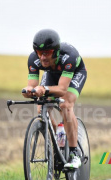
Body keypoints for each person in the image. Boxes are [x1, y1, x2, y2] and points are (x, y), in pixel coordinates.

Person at [22, 29, 87, 169]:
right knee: (41, 107)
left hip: (74, 74)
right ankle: (58, 139)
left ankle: (74, 153)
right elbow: (32, 86)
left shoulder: (69, 57)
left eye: (47, 53)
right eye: (40, 53)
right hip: (52, 73)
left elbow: (62, 89)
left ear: (56, 51)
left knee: (65, 104)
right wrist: (28, 91)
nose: (43, 57)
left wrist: (44, 89)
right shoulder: (33, 59)